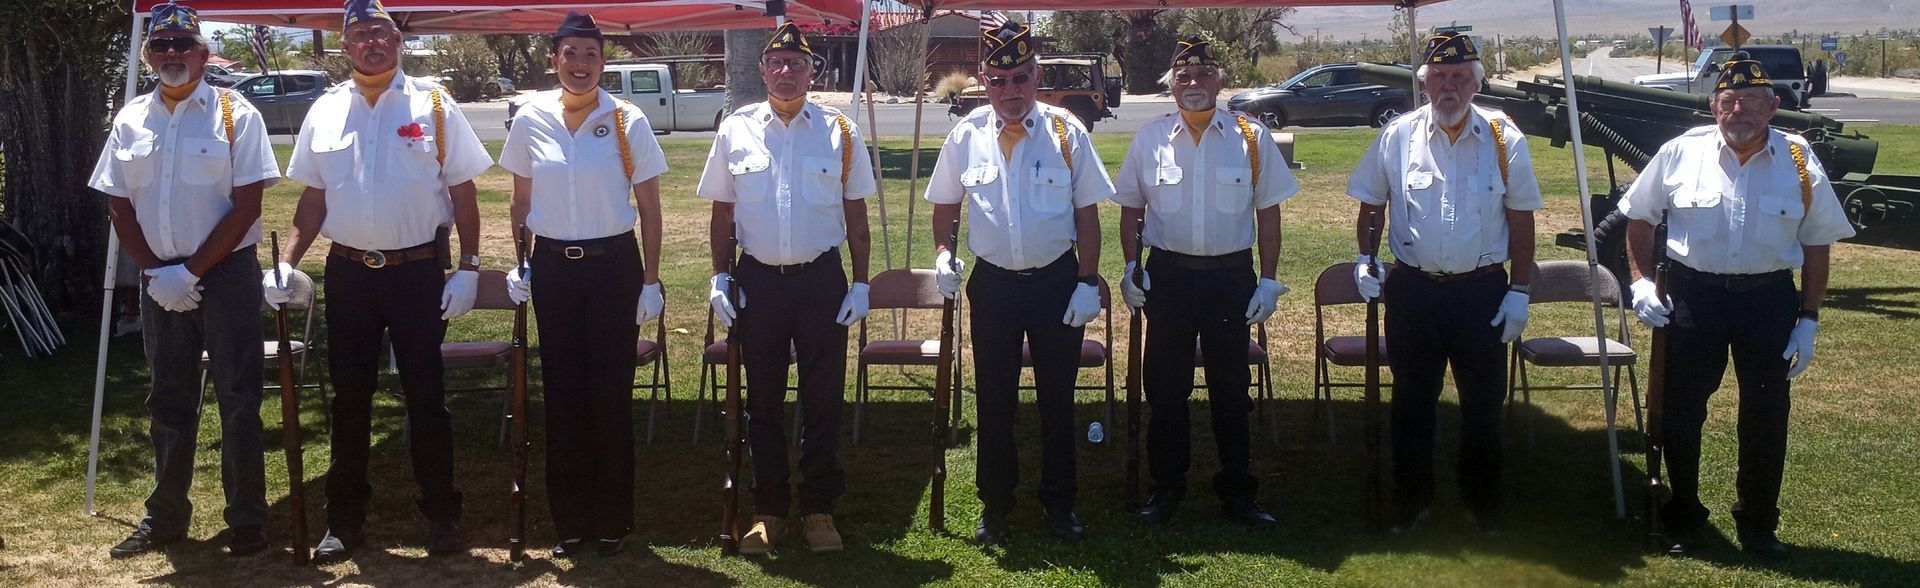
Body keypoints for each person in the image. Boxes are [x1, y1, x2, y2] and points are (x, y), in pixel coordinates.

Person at [267, 0, 494, 563]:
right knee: (350, 401)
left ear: (398, 41)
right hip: (349, 275)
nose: (373, 42)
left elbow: (463, 191)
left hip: (418, 272)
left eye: (382, 33)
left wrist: (468, 267)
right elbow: (314, 196)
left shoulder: (435, 103)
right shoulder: (325, 109)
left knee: (427, 398)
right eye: (361, 34)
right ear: (345, 46)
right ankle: (343, 521)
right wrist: (288, 262)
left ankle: (442, 516)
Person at [1619, 53, 1854, 558]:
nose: (1739, 109)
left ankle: (1758, 524)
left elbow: (1817, 244)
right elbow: (1639, 217)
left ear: (1773, 107)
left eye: (1751, 100)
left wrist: (1808, 319)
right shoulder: (1681, 152)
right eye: (1729, 101)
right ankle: (1682, 515)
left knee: (1766, 414)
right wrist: (1640, 282)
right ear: (1713, 107)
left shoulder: (1797, 159)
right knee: (1680, 412)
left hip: (1767, 300)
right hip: (1693, 297)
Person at [87, 0, 281, 558]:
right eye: (160, 46)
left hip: (227, 277)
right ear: (148, 55)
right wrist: (155, 272)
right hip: (159, 280)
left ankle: (247, 518)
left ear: (203, 54)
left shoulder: (235, 114)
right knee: (168, 398)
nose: (171, 55)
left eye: (182, 46)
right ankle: (165, 518)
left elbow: (247, 206)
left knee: (239, 396)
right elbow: (119, 205)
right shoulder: (130, 119)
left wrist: (192, 271)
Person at [925, 20, 1114, 545]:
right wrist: (943, 254)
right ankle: (996, 505)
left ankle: (1059, 503)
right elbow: (945, 207)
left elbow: (1088, 216)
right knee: (994, 397)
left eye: (1021, 78)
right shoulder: (966, 134)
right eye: (999, 80)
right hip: (994, 288)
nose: (1011, 90)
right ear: (984, 82)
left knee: (1058, 397)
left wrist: (1086, 281)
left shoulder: (1065, 130)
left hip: (1056, 283)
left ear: (1037, 76)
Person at [1346, 32, 1541, 534]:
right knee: (1412, 400)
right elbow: (1372, 203)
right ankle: (1412, 500)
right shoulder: (1398, 135)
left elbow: (1521, 219)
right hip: (1414, 291)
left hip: (1482, 292)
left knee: (1482, 402)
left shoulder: (1503, 138)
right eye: (1439, 77)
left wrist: (1519, 290)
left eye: (1459, 77)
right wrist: (1366, 259)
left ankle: (1482, 502)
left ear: (1477, 83)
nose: (1449, 86)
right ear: (1424, 83)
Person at [696, 22, 875, 556]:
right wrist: (720, 275)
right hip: (759, 282)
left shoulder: (840, 130)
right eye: (776, 63)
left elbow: (857, 214)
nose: (786, 71)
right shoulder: (736, 128)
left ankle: (820, 507)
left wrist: (862, 283)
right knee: (763, 399)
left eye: (797, 63)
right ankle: (769, 509)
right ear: (761, 70)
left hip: (821, 279)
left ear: (811, 71)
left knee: (823, 396)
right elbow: (721, 212)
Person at [497, 11, 667, 559]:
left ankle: (613, 519)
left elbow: (650, 209)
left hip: (613, 264)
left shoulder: (626, 120)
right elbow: (521, 202)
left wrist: (649, 280)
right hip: (554, 268)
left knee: (610, 394)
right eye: (570, 54)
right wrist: (520, 262)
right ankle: (569, 520)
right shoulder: (530, 118)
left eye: (591, 54)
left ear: (603, 61)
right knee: (564, 394)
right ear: (555, 59)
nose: (580, 64)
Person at [1113, 36, 1297, 528]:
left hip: (1230, 278)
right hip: (1169, 278)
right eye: (1183, 76)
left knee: (1232, 393)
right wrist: (1132, 266)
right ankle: (1166, 488)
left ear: (1220, 79)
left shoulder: (1251, 137)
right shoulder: (1150, 138)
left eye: (1203, 74)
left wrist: (1270, 280)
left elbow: (1270, 217)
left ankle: (1238, 492)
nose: (1193, 83)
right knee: (1166, 391)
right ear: (1171, 85)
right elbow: (1131, 207)